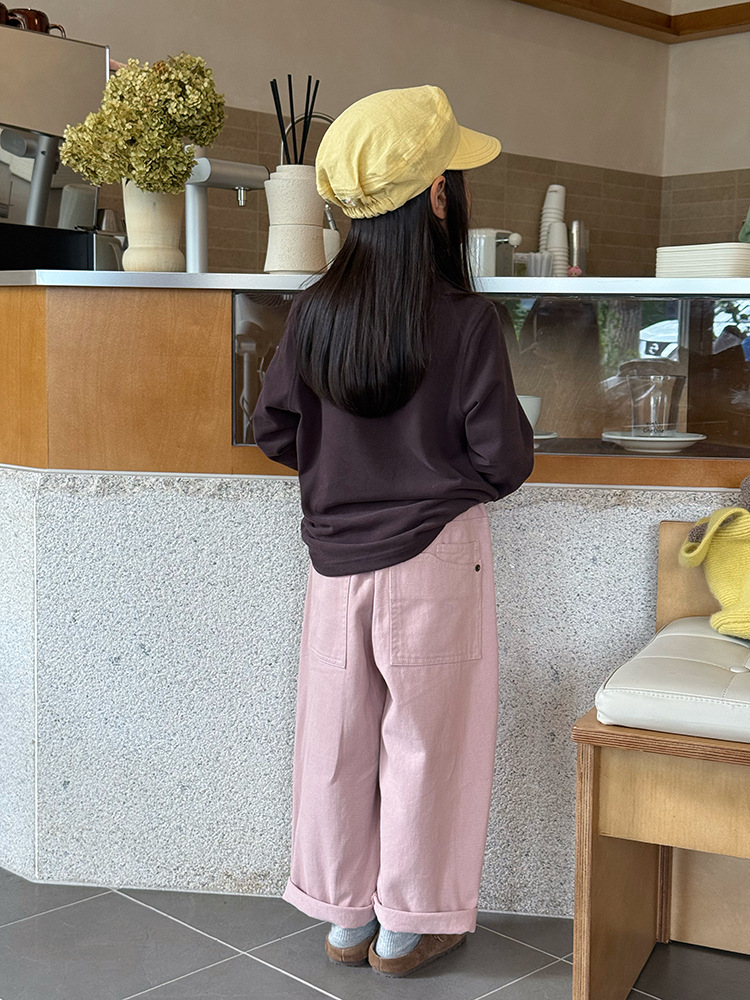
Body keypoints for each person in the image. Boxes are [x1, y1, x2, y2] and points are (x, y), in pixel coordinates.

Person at [253, 85, 534, 978]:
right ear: (437, 194)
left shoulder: (313, 310)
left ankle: (343, 921)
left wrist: (345, 472)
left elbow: (275, 430)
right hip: (437, 559)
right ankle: (407, 929)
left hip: (334, 563)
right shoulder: (466, 319)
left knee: (336, 738)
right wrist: (442, 484)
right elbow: (505, 460)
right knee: (428, 741)